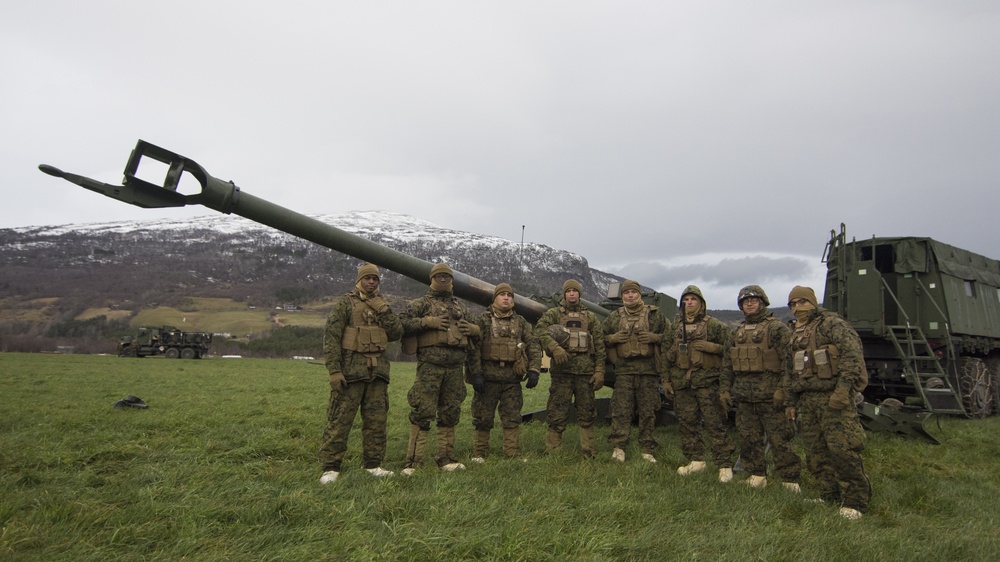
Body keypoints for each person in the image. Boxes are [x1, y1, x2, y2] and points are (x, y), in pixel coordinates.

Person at [785, 285, 871, 520]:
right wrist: (790, 402)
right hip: (808, 399)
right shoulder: (796, 333)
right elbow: (790, 370)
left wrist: (843, 391)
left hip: (833, 397)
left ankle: (856, 500)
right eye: (793, 304)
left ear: (813, 302)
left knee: (843, 448)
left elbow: (853, 356)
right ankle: (829, 493)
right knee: (815, 450)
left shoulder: (832, 324)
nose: (797, 307)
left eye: (802, 302)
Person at [319, 263, 403, 484]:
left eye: (375, 279)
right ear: (359, 280)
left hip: (377, 375)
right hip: (350, 374)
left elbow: (396, 332)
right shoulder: (345, 305)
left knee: (376, 422)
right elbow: (332, 339)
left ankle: (373, 464)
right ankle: (331, 467)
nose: (372, 282)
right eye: (367, 279)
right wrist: (334, 371)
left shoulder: (382, 305)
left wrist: (383, 309)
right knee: (340, 421)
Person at [400, 262, 481, 475]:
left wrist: (472, 329)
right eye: (439, 276)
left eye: (447, 276)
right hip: (430, 367)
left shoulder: (460, 307)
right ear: (432, 279)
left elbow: (480, 329)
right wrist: (428, 322)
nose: (443, 279)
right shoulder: (421, 304)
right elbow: (402, 324)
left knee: (450, 411)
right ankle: (414, 461)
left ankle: (446, 457)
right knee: (423, 411)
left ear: (452, 280)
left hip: (455, 368)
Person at [720, 285, 801, 491]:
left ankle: (789, 479)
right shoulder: (736, 332)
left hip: (771, 396)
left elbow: (789, 364)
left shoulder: (776, 329)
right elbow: (727, 365)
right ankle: (757, 474)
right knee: (749, 438)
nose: (749, 303)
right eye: (745, 301)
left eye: (754, 300)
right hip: (745, 397)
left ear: (763, 302)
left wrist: (783, 390)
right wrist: (725, 390)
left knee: (780, 439)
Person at [666, 285, 736, 482]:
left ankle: (724, 464)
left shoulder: (713, 325)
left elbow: (731, 350)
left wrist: (711, 347)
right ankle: (696, 460)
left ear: (701, 303)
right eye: (686, 300)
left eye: (693, 300)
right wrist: (666, 379)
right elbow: (666, 355)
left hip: (707, 382)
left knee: (715, 423)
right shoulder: (676, 327)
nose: (689, 303)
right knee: (687, 423)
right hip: (683, 384)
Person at [469, 283, 542, 462]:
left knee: (512, 417)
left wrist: (534, 369)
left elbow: (533, 345)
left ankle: (511, 453)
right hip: (488, 379)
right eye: (502, 295)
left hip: (512, 380)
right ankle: (480, 453)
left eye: (510, 295)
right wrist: (476, 374)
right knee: (483, 417)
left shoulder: (521, 322)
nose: (506, 298)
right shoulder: (483, 320)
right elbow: (474, 349)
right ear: (495, 298)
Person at [534, 279, 606, 458]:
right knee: (556, 411)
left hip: (585, 374)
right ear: (564, 294)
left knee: (587, 412)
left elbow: (600, 345)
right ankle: (553, 451)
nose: (572, 293)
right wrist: (554, 347)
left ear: (579, 294)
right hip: (562, 373)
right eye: (569, 291)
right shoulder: (554, 314)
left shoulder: (590, 318)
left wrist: (599, 371)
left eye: (575, 291)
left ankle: (588, 451)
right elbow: (540, 330)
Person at [603, 280, 668, 462]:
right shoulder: (615, 317)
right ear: (623, 295)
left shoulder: (654, 315)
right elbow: (600, 337)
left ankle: (647, 448)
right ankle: (619, 446)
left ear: (639, 294)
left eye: (633, 292)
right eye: (626, 292)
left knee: (648, 410)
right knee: (621, 410)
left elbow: (670, 337)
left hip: (648, 371)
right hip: (624, 370)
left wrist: (654, 337)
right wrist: (613, 338)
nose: (630, 295)